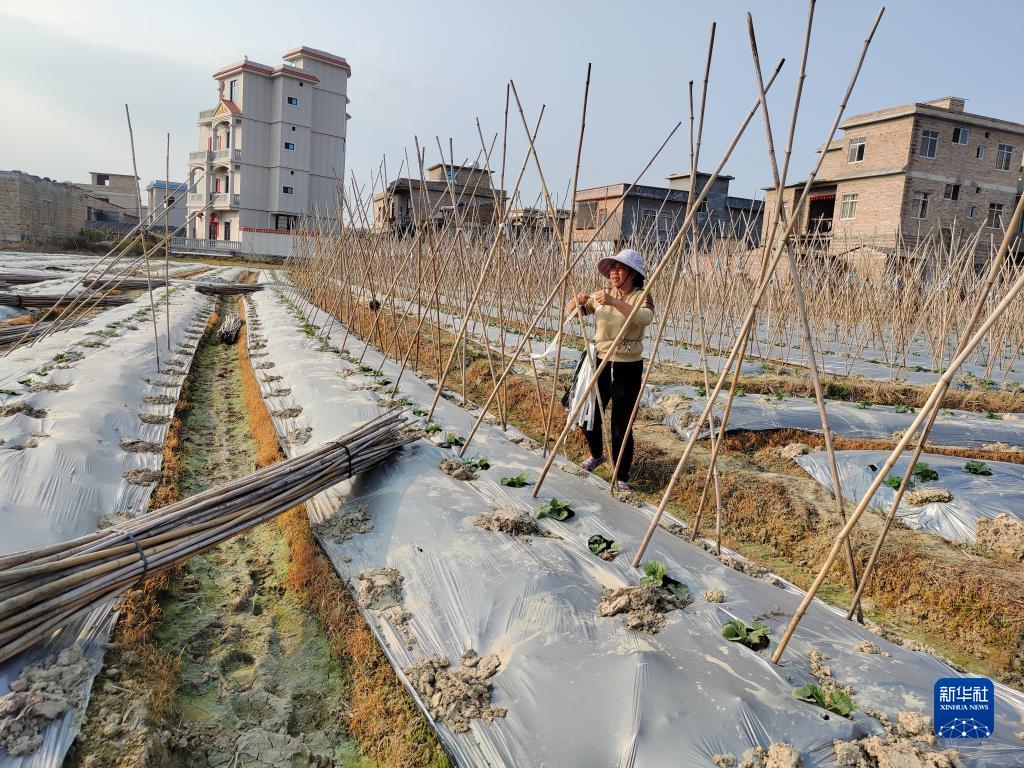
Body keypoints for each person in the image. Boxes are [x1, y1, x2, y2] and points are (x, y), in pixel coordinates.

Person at [565, 248, 654, 491]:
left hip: (627, 366)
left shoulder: (641, 295)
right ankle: (597, 455)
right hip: (600, 362)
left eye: (620, 269)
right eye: (612, 269)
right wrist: (577, 301)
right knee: (587, 414)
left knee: (621, 423)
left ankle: (621, 474)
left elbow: (645, 318)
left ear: (633, 274)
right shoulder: (602, 294)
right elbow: (572, 312)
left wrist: (615, 302)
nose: (614, 273)